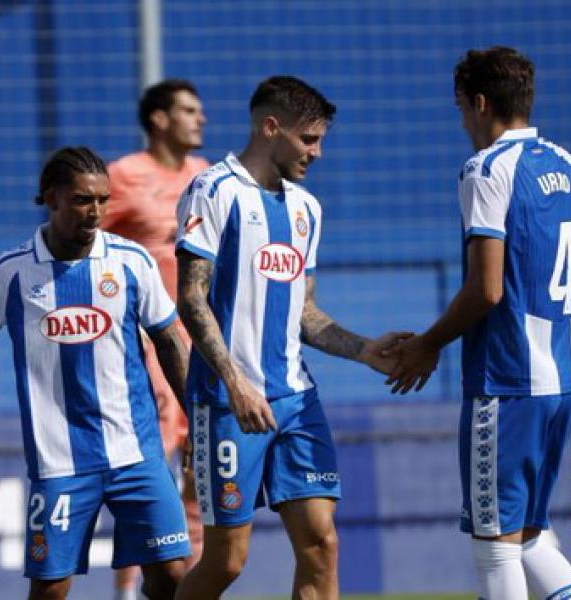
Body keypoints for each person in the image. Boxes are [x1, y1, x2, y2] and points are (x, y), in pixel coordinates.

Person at [0, 147, 191, 600]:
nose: (94, 212)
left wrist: (196, 420)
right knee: (51, 590)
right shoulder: (13, 271)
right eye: (81, 200)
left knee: (171, 574)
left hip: (137, 453)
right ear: (51, 199)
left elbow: (170, 340)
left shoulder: (131, 261)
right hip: (61, 463)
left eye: (101, 200)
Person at [384, 47, 571, 599]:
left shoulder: (486, 169)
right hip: (563, 381)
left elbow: (485, 290)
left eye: (463, 109)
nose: (464, 122)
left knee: (494, 546)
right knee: (530, 537)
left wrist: (427, 344)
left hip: (507, 384)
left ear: (481, 103)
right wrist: (551, 319)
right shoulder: (567, 164)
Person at [172, 75, 404, 599]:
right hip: (228, 403)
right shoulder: (214, 190)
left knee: (322, 543)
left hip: (296, 400)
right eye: (308, 139)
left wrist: (364, 350)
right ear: (271, 127)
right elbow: (190, 297)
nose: (317, 153)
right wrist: (235, 383)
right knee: (228, 561)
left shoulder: (305, 210)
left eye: (320, 140)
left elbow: (306, 314)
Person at [102, 78, 209, 599]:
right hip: (144, 349)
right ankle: (129, 590)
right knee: (147, 474)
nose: (201, 119)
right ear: (160, 119)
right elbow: (79, 245)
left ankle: (187, 588)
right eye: (190, 110)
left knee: (202, 475)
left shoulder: (206, 178)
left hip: (205, 349)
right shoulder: (122, 177)